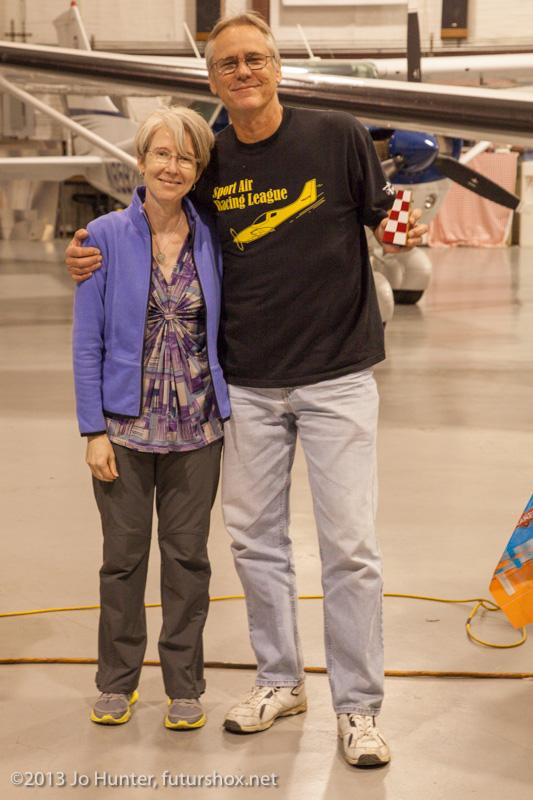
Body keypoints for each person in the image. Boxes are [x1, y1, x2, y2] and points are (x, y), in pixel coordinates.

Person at [66, 13, 427, 766]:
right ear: (212, 79)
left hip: (336, 376)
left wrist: (409, 229)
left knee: (350, 548)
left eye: (255, 58)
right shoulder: (211, 161)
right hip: (249, 386)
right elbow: (155, 215)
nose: (243, 72)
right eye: (227, 63)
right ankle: (280, 680)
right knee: (256, 543)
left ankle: (358, 708)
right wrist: (87, 248)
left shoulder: (336, 136)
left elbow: (384, 216)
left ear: (277, 66)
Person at [72, 106, 229, 731]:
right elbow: (86, 341)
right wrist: (93, 430)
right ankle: (117, 682)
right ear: (141, 160)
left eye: (186, 157)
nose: (172, 166)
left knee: (188, 560)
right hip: (125, 433)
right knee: (123, 560)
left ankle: (184, 686)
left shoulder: (213, 236)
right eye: (162, 153)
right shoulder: (103, 236)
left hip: (198, 431)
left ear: (198, 169)